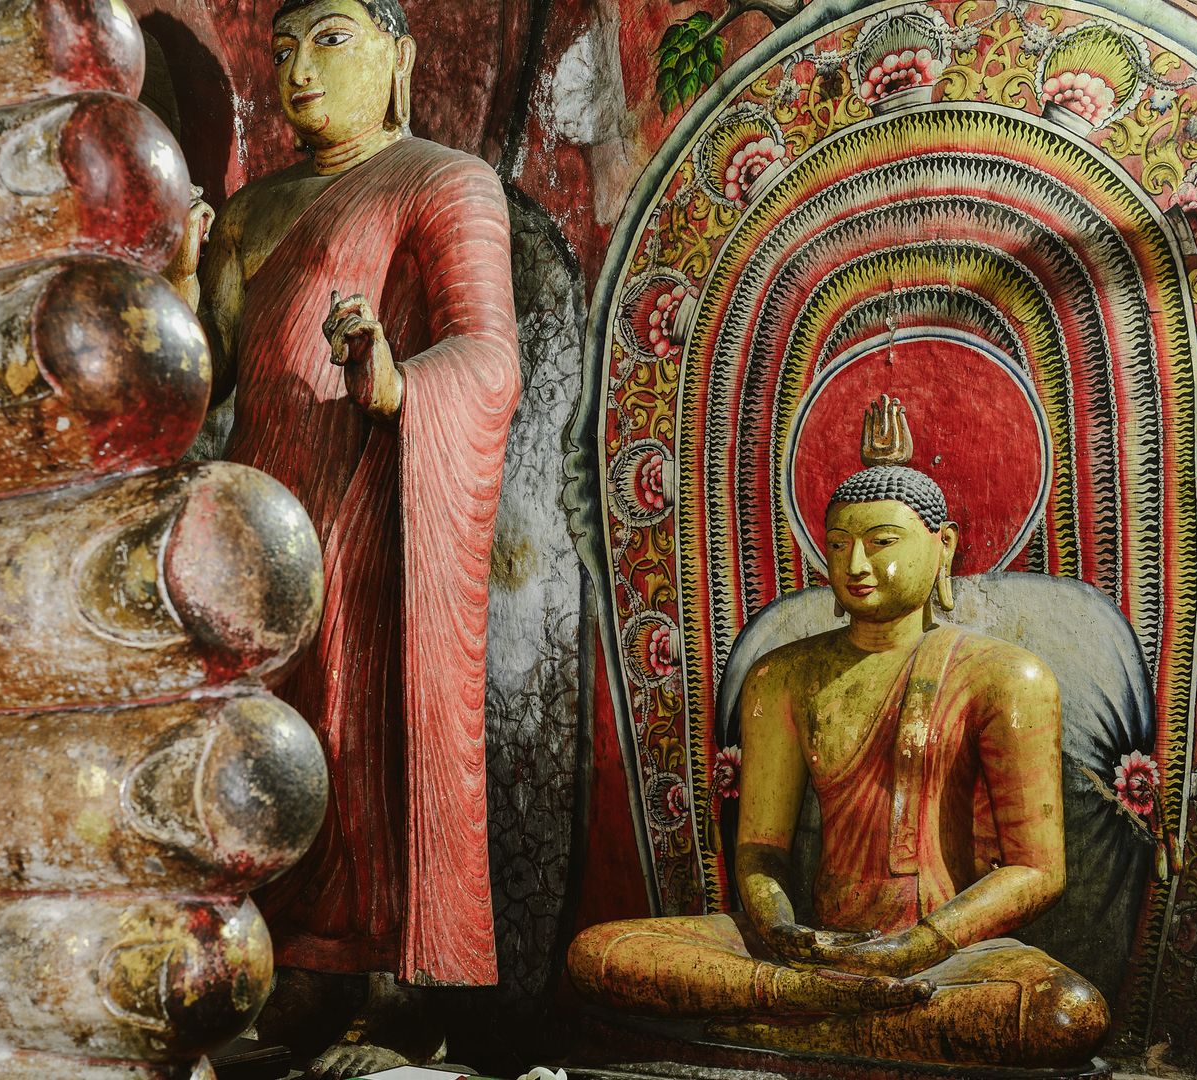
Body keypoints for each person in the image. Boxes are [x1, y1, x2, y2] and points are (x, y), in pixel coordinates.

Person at [165, 1, 518, 1075]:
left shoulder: (442, 182)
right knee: (273, 728)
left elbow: (491, 353)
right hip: (266, 518)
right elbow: (207, 385)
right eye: (281, 48)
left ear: (401, 59)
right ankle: (289, 963)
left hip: (377, 497)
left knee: (366, 715)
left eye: (329, 38)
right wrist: (182, 284)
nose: (298, 69)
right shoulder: (250, 212)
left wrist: (396, 380)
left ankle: (383, 980)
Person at [566, 398, 1108, 1069]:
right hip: (811, 951)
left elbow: (1037, 870)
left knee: (1067, 1013)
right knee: (599, 954)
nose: (854, 563)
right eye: (838, 544)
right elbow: (761, 852)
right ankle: (830, 1009)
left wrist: (920, 945)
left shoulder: (1006, 677)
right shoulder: (783, 676)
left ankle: (788, 1018)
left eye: (881, 542)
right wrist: (779, 929)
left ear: (944, 545)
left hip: (948, 956)